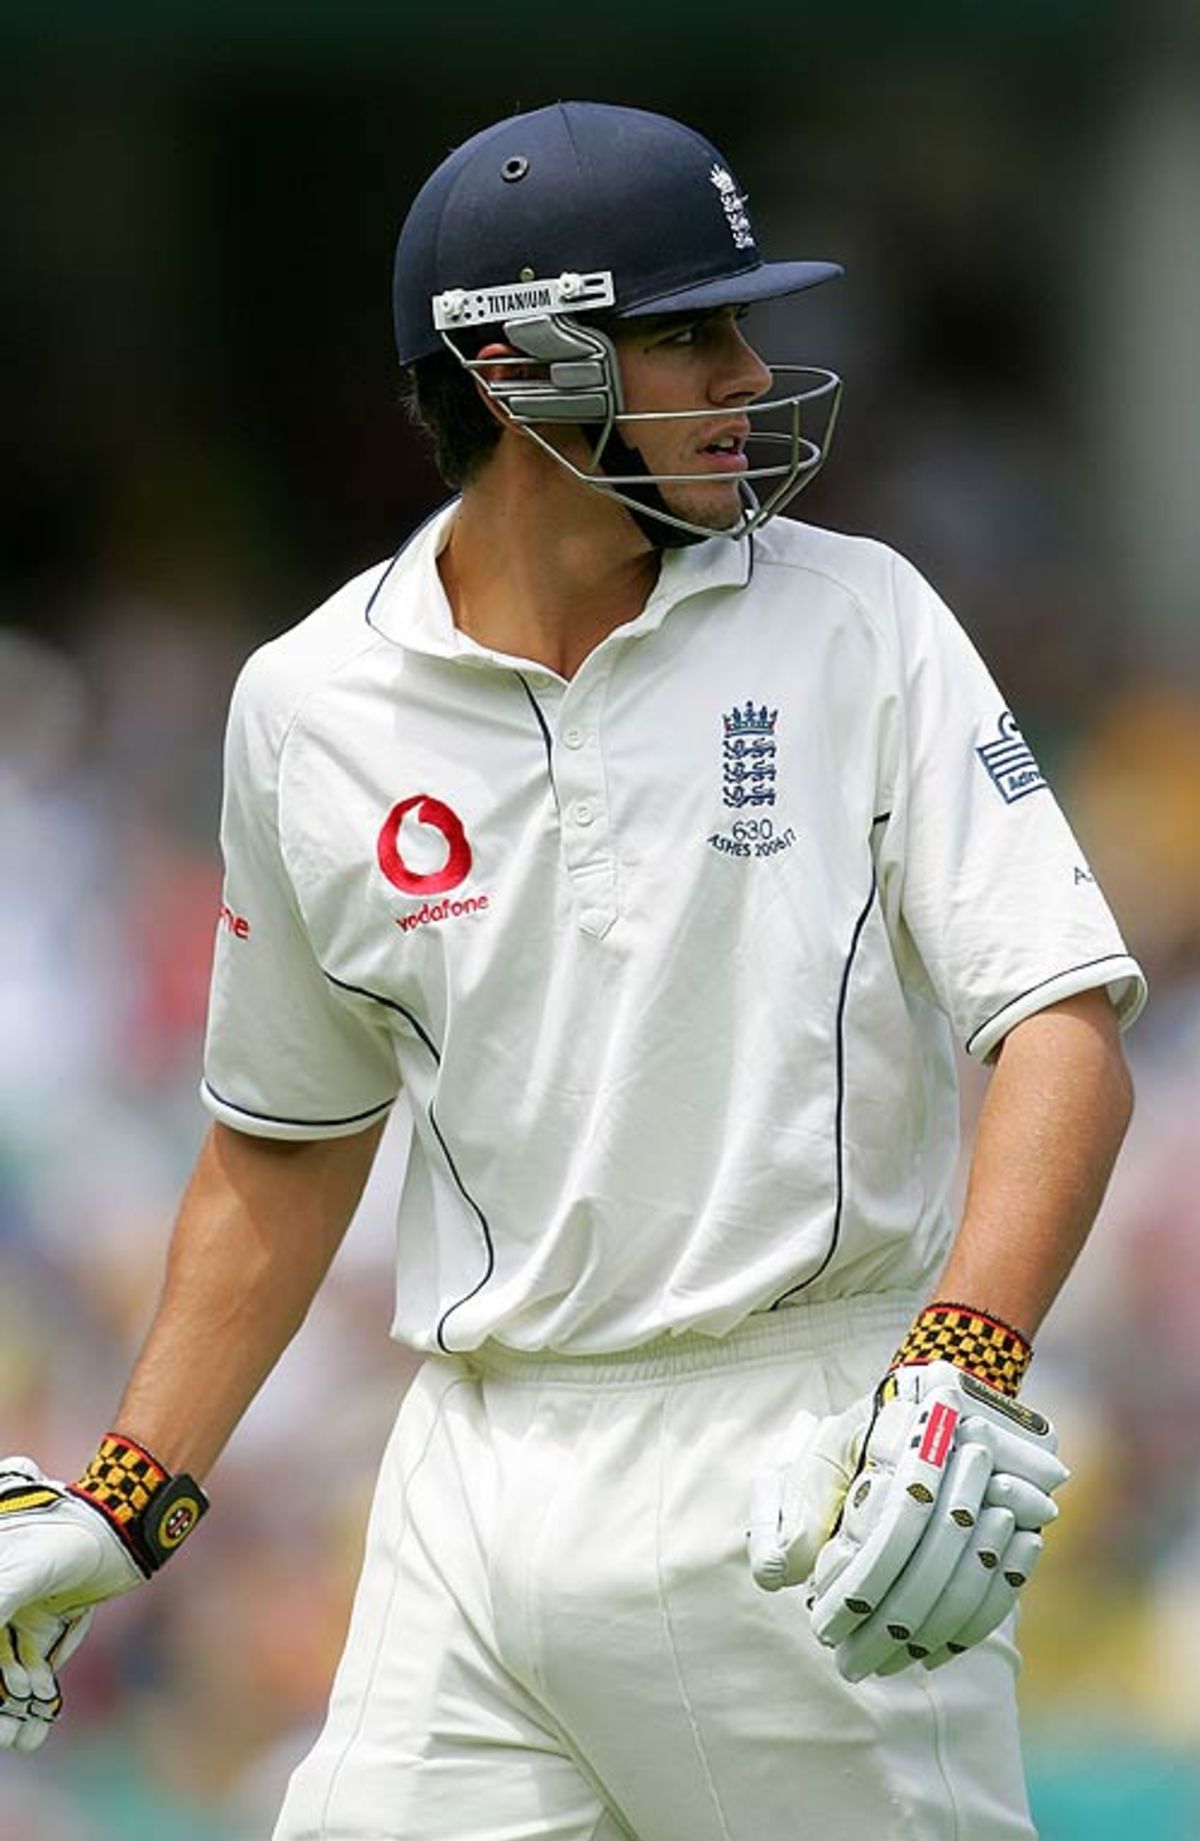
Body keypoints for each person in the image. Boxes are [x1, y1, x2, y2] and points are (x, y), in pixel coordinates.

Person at [0, 101, 1145, 1840]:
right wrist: (132, 1492)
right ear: (518, 366)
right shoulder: (312, 709)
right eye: (693, 334)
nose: (753, 374)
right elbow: (284, 1145)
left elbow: (1060, 1025)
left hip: (806, 1470)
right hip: (477, 1483)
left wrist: (960, 1360)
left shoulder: (861, 617)